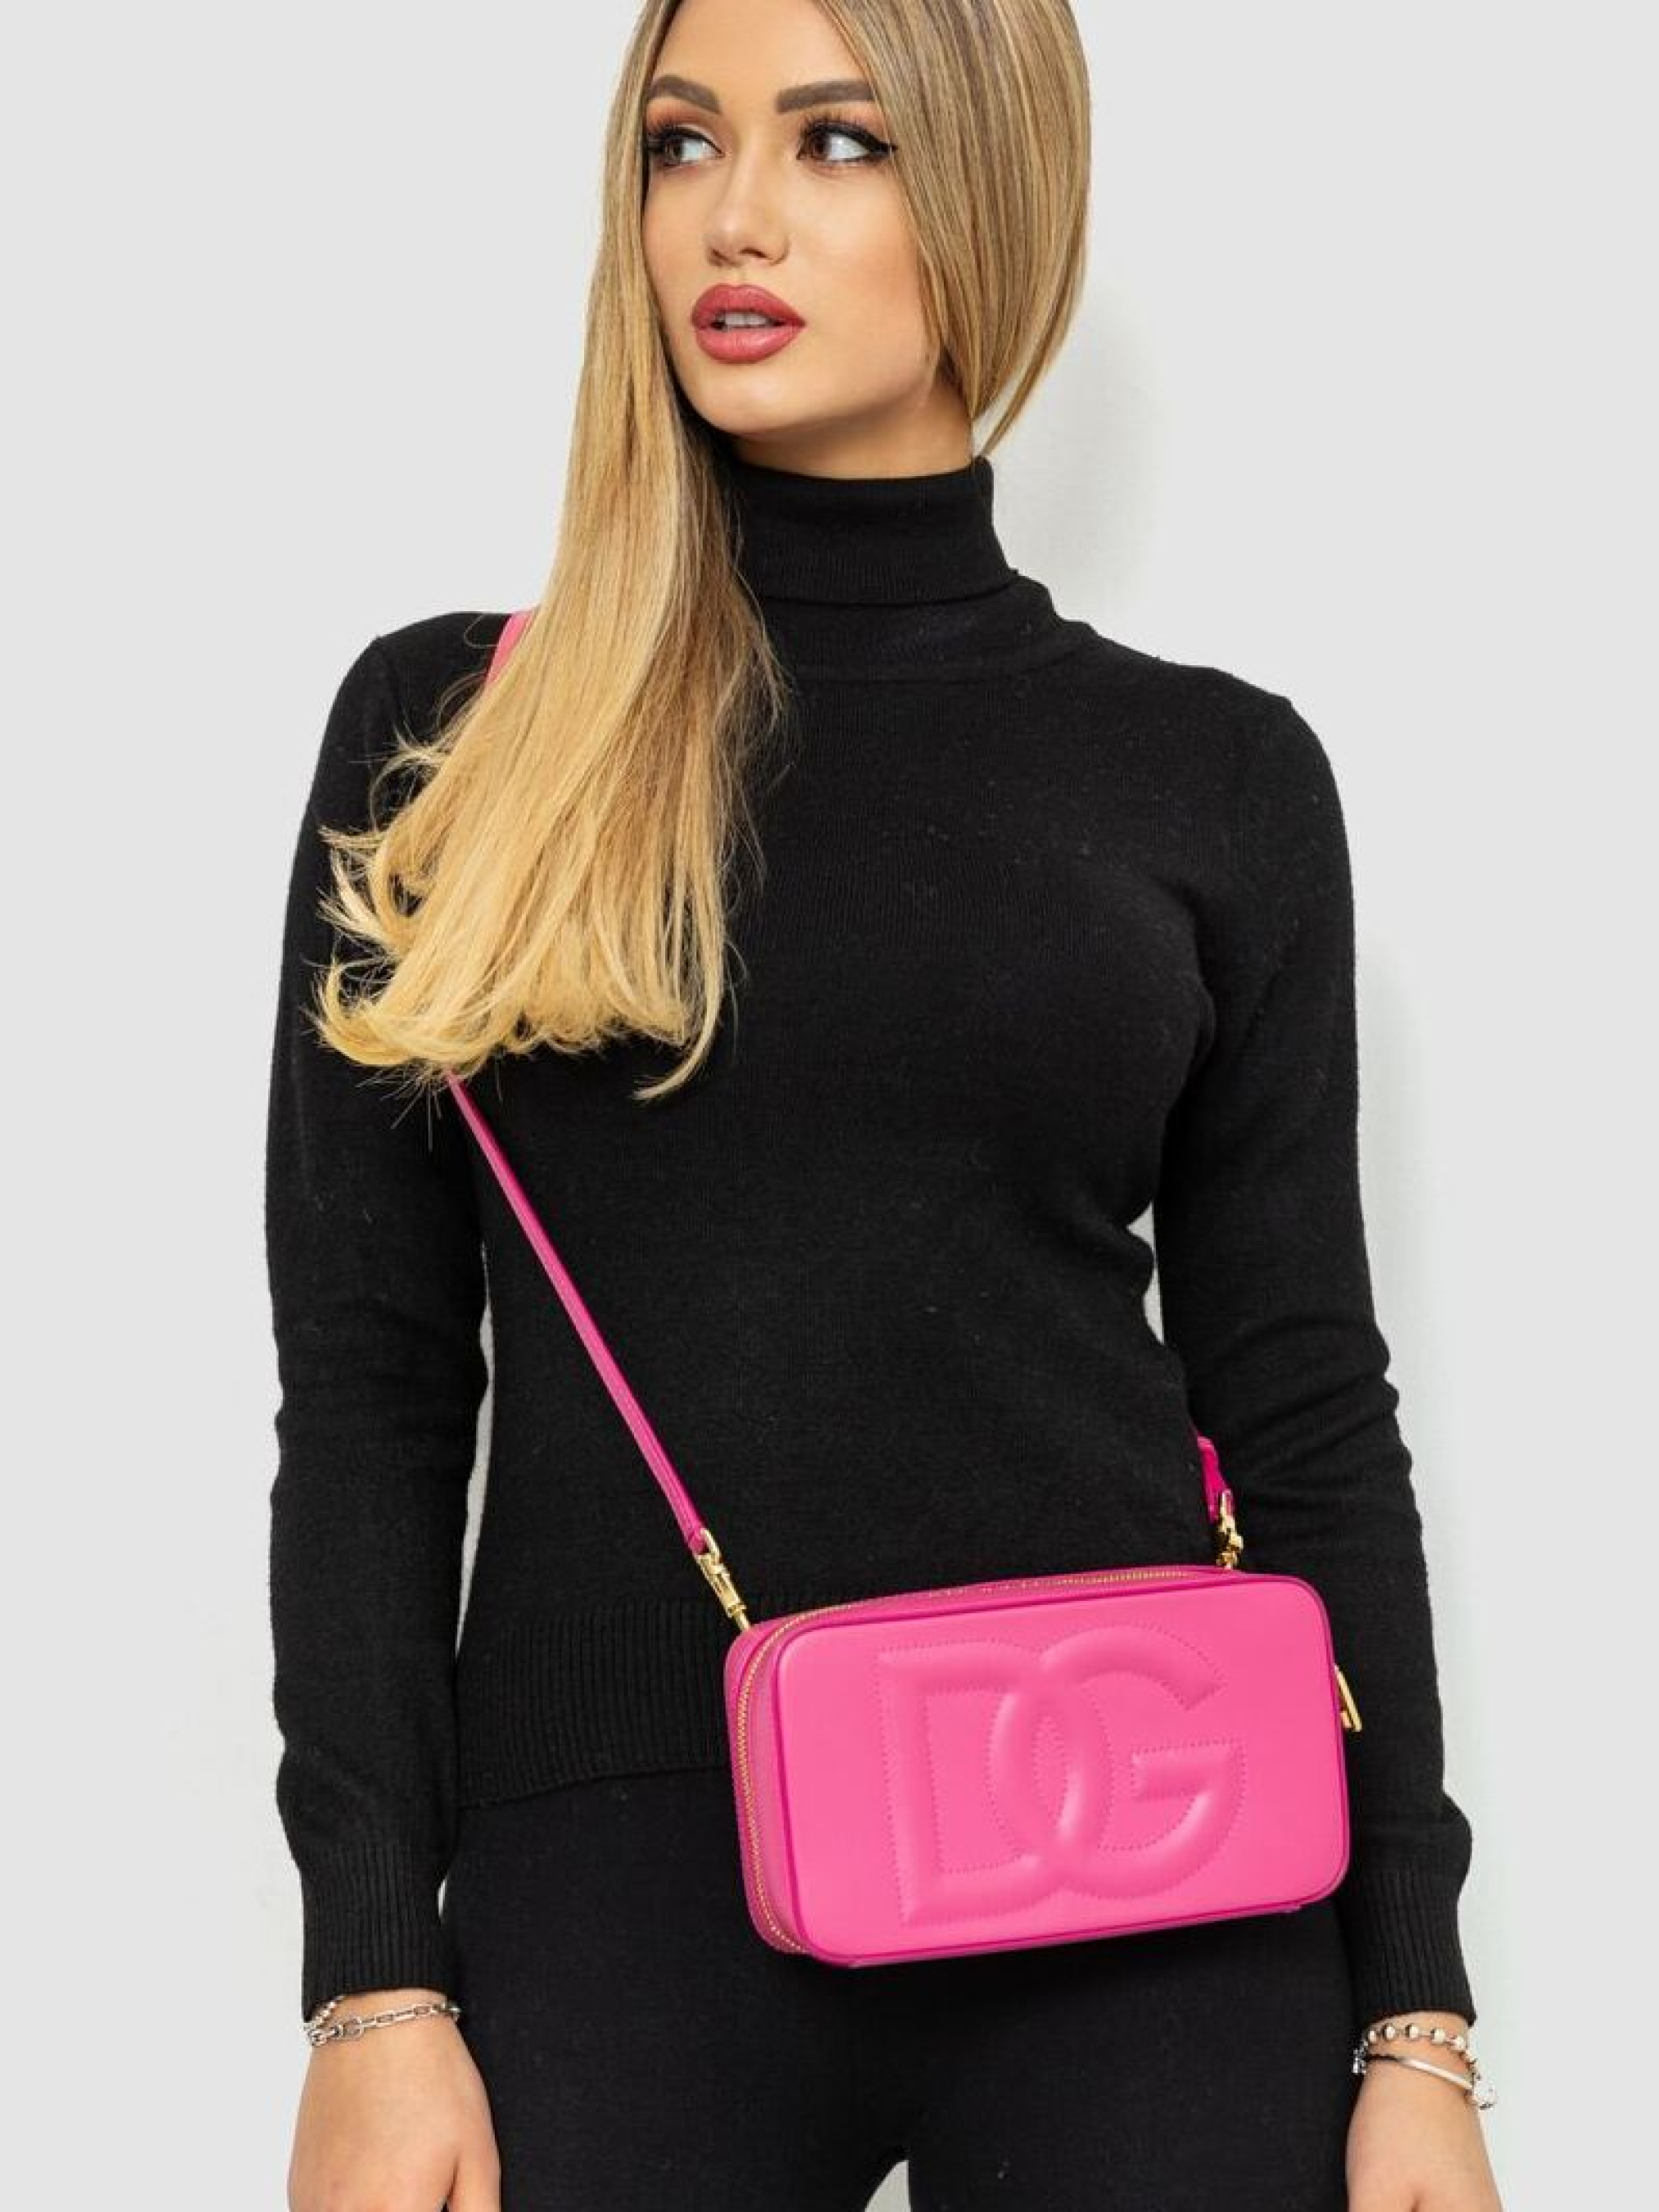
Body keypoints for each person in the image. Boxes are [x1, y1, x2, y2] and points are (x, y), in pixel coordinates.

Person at [265, 1, 1502, 2206]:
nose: (732, 217)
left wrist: (1414, 2013)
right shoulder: (458, 736)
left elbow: (1306, 1399)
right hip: (620, 1873)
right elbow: (372, 1389)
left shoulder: (1214, 775)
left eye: (836, 142)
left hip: (1156, 1859)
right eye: (682, 142)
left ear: (988, 187)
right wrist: (372, 1981)